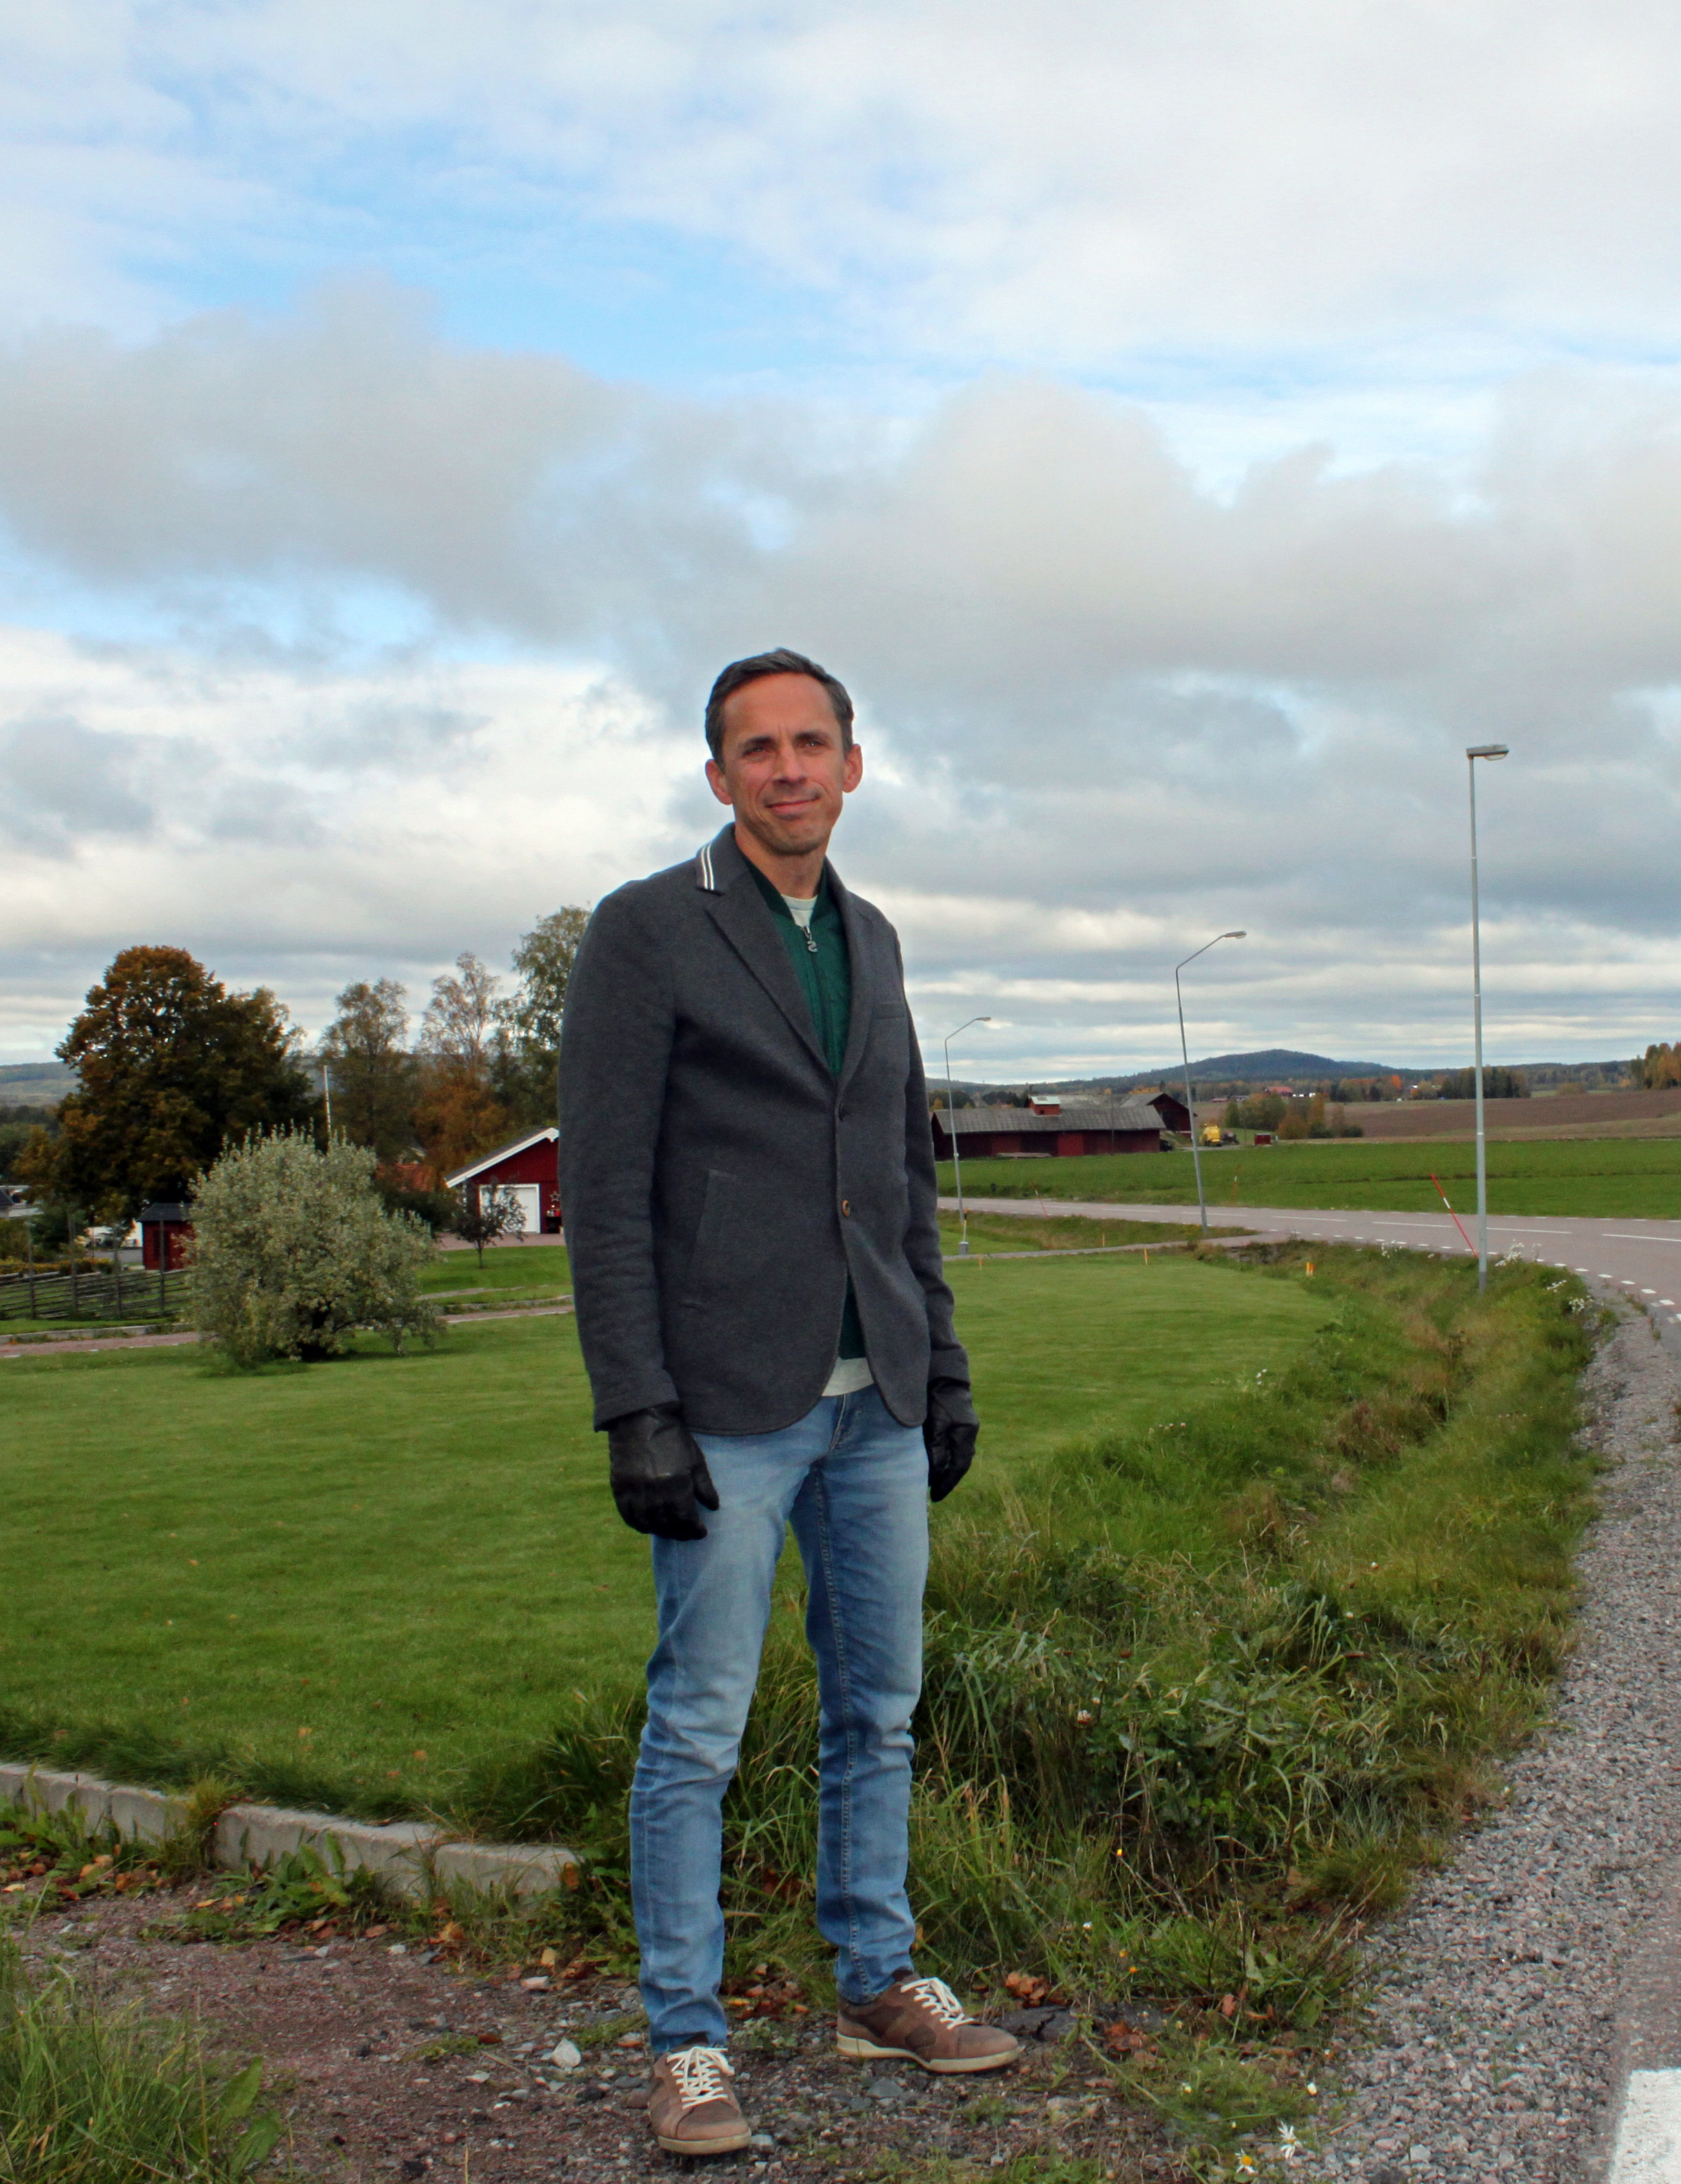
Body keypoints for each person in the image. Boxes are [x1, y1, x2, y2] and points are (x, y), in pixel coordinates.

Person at [560, 648, 1019, 2159]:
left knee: (876, 1713)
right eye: (756, 748)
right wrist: (636, 1404)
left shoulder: (874, 939)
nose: (788, 769)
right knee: (699, 1728)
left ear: (853, 764)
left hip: (873, 1399)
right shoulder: (646, 934)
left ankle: (874, 1980)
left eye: (811, 743)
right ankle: (686, 2044)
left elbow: (898, 1179)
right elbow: (608, 1191)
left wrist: (940, 1370)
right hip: (729, 1411)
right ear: (718, 778)